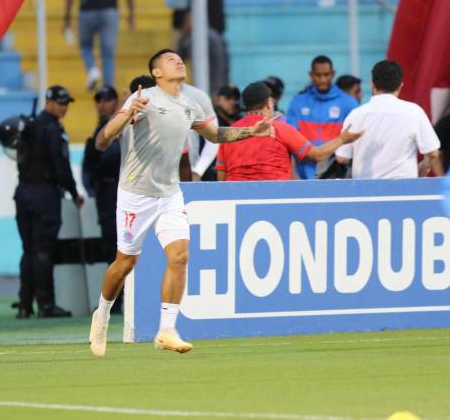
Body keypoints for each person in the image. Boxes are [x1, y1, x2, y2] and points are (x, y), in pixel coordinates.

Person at [88, 49, 274, 357]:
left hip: (169, 193)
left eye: (179, 58)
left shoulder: (189, 104)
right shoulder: (142, 98)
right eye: (169, 59)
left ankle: (167, 330)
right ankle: (103, 315)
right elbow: (102, 140)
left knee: (180, 256)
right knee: (125, 264)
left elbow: (215, 135)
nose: (178, 61)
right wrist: (125, 115)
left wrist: (249, 132)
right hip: (136, 194)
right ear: (157, 72)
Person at [14, 85, 84, 319]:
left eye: (66, 104)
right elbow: (61, 166)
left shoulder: (29, 126)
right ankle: (46, 305)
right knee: (43, 251)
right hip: (45, 195)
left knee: (28, 251)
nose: (64, 108)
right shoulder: (53, 130)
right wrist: (74, 193)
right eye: (61, 103)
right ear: (49, 102)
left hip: (23, 193)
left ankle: (25, 304)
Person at [217, 82, 363, 181]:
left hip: (237, 203)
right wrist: (343, 139)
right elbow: (317, 155)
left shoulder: (229, 133)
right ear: (269, 103)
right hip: (276, 201)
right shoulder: (280, 128)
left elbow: (221, 177)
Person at [336, 60, 443, 178]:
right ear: (400, 86)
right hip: (404, 191)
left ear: (372, 85)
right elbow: (433, 154)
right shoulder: (414, 112)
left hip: (364, 191)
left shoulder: (355, 115)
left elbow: (342, 158)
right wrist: (421, 168)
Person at [82, 85, 122, 312]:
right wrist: (92, 192)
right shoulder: (97, 134)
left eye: (107, 99)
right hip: (108, 194)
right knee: (112, 248)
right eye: (99, 99)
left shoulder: (124, 129)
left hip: (123, 190)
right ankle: (114, 300)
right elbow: (89, 170)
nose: (102, 103)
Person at [287, 55, 359, 179]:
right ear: (311, 74)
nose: (322, 79)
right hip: (304, 174)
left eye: (326, 75)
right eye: (318, 75)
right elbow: (290, 140)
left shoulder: (348, 103)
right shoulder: (298, 102)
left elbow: (354, 142)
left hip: (336, 173)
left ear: (333, 74)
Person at [63, 0, 135, 89]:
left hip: (87, 12)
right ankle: (109, 90)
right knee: (108, 54)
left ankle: (92, 69)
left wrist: (67, 17)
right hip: (109, 12)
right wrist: (131, 14)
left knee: (85, 46)